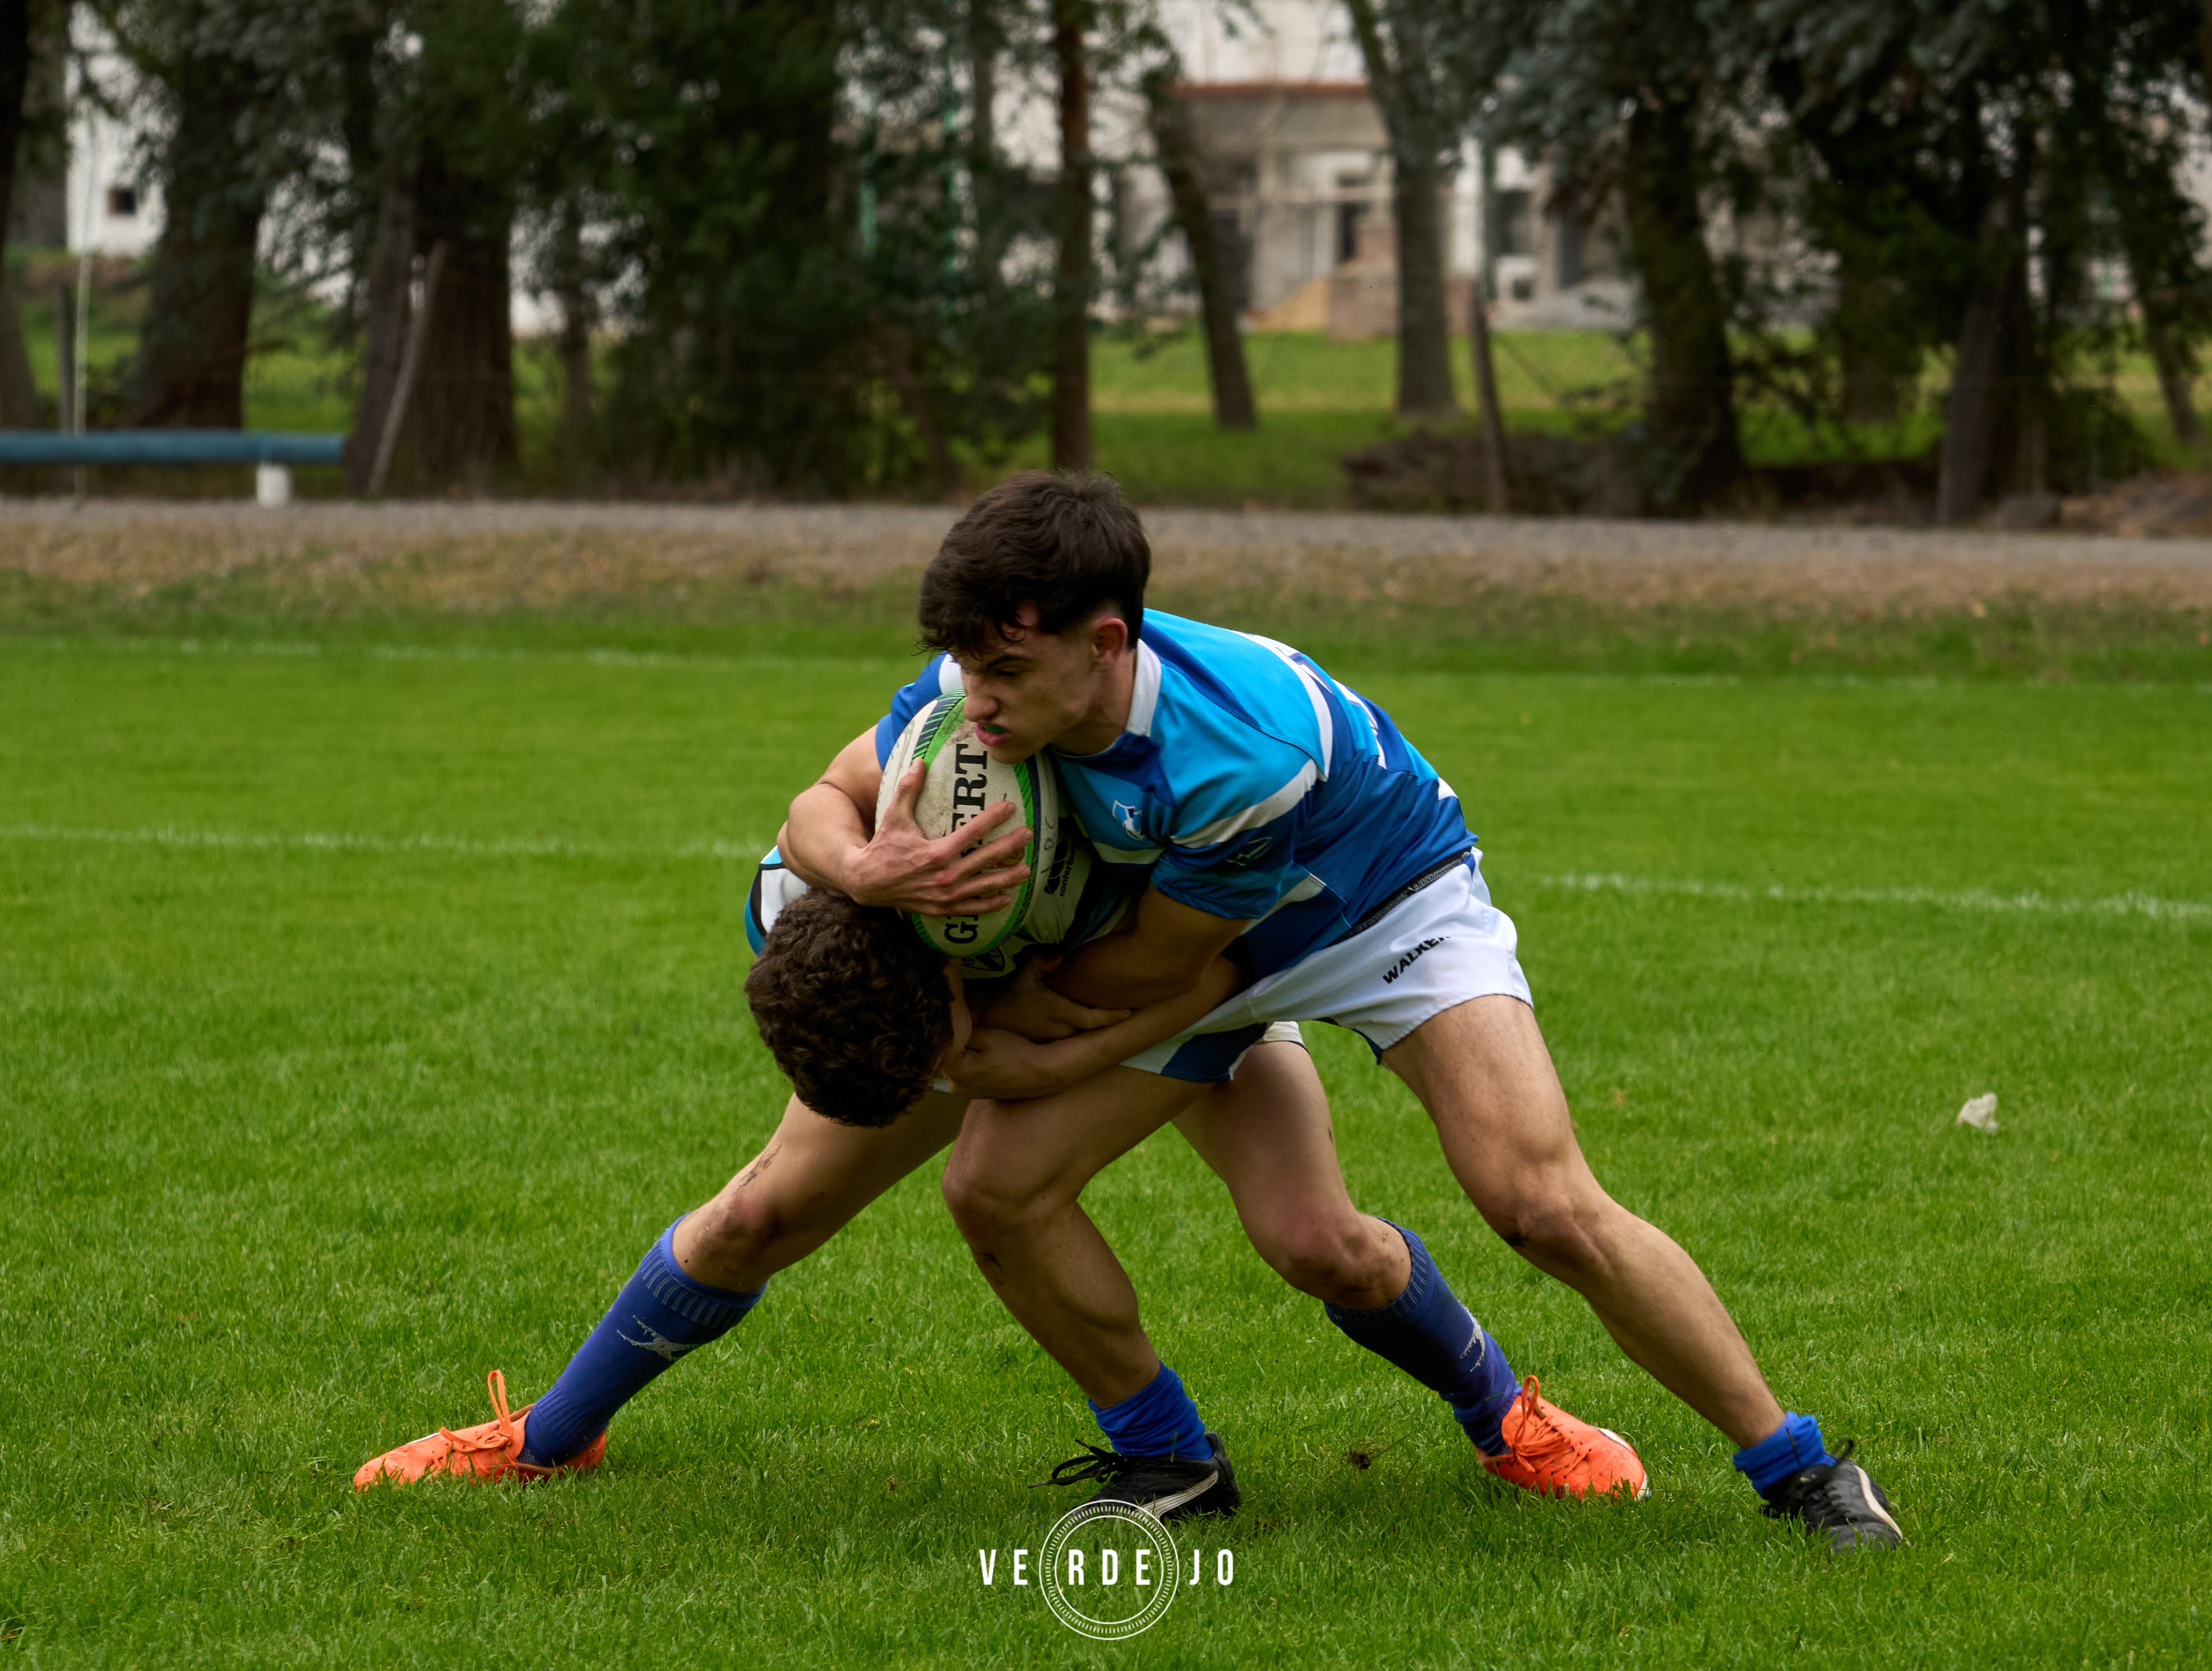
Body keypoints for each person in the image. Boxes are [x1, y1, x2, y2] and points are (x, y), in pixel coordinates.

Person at [779, 469, 1901, 1552]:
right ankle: (1171, 1460)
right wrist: (871, 876)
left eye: (1005, 670)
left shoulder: (1235, 751)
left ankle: (1798, 1466)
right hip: (1198, 935)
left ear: (1107, 643)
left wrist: (1016, 1044)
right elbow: (816, 809)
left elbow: (1165, 971)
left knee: (1538, 1202)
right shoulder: (979, 691)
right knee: (997, 1189)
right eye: (966, 663)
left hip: (1376, 903)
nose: (975, 699)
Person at [353, 708, 1622, 1514]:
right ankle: (547, 1441)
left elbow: (1190, 947)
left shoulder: (972, 778)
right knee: (761, 1210)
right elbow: (815, 817)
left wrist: (1078, 1032)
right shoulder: (816, 938)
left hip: (1172, 973)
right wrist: (954, 1033)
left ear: (955, 984)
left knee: (1313, 1236)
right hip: (1004, 998)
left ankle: (1507, 1417)